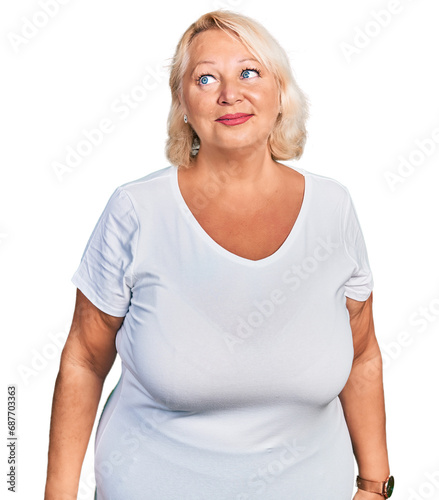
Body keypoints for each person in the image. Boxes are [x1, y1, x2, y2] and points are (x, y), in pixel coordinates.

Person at [44, 10, 393, 500]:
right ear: (183, 104)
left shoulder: (334, 210)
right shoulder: (138, 212)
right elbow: (83, 359)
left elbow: (361, 355)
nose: (230, 93)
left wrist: (375, 486)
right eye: (206, 78)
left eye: (249, 72)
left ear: (280, 94)